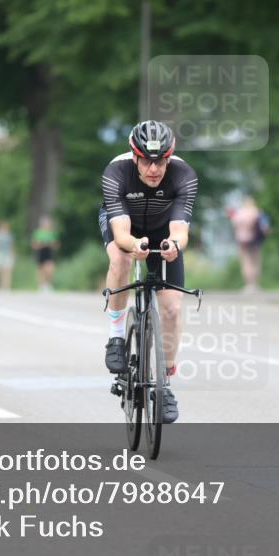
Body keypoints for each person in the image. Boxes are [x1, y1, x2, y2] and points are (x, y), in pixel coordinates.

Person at [99, 120, 198, 424]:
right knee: (121, 257)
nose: (154, 169)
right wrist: (134, 244)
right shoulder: (116, 172)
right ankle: (116, 338)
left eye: (160, 161)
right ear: (134, 157)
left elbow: (180, 231)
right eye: (147, 161)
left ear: (169, 158)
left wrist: (174, 246)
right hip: (126, 229)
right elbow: (121, 233)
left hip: (162, 232)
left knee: (170, 310)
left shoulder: (184, 175)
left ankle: (165, 383)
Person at [228, 195, 268, 292]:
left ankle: (248, 284)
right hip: (255, 240)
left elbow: (234, 224)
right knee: (256, 262)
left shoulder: (239, 213)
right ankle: (255, 284)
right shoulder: (257, 212)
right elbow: (264, 227)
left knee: (246, 262)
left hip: (242, 240)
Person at [31, 216, 59, 292]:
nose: (47, 225)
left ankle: (48, 284)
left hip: (49, 252)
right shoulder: (38, 233)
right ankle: (41, 286)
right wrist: (41, 244)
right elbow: (34, 245)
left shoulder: (52, 233)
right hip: (40, 252)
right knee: (41, 270)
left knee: (50, 269)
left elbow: (56, 245)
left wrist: (51, 244)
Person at [0, 220, 16, 290]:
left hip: (7, 254)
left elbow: (12, 246)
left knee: (7, 271)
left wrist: (13, 255)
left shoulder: (10, 236)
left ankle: (6, 286)